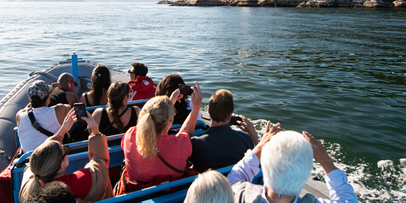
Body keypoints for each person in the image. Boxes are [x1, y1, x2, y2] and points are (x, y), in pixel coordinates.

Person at [227, 122, 358, 203]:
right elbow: (347, 199)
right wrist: (325, 161)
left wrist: (260, 146)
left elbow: (236, 175)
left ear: (264, 169)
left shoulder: (240, 195)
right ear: (306, 175)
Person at [116, 82, 203, 195]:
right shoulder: (181, 144)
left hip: (135, 196)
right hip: (171, 196)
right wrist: (196, 107)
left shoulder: (130, 135)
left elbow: (145, 123)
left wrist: (168, 104)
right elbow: (187, 132)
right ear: (169, 123)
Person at [19, 109, 113, 202]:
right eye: (64, 150)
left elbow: (43, 155)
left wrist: (61, 132)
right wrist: (95, 130)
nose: (65, 149)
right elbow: (100, 162)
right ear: (60, 165)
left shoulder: (28, 185)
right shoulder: (79, 182)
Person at [190, 89, 257, 173]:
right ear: (229, 115)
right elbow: (257, 161)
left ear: (209, 112)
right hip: (237, 184)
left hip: (210, 185)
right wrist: (253, 135)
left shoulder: (195, 143)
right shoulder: (245, 139)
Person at [16, 80, 71, 153]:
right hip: (52, 159)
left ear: (30, 99)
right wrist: (49, 93)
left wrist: (37, 99)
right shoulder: (60, 110)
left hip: (28, 160)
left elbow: (27, 109)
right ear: (49, 96)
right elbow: (70, 107)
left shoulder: (19, 116)